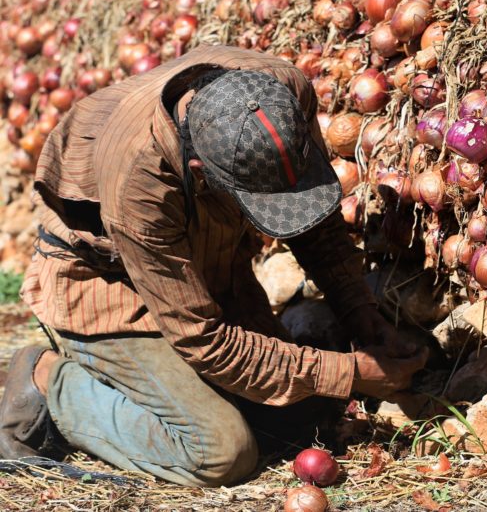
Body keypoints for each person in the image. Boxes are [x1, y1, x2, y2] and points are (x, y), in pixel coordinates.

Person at [0, 45, 427, 486]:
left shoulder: (281, 93)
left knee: (302, 418)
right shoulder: (138, 188)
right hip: (108, 287)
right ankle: (51, 379)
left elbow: (312, 221)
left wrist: (361, 313)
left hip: (202, 271)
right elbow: (205, 341)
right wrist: (351, 371)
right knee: (222, 450)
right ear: (201, 171)